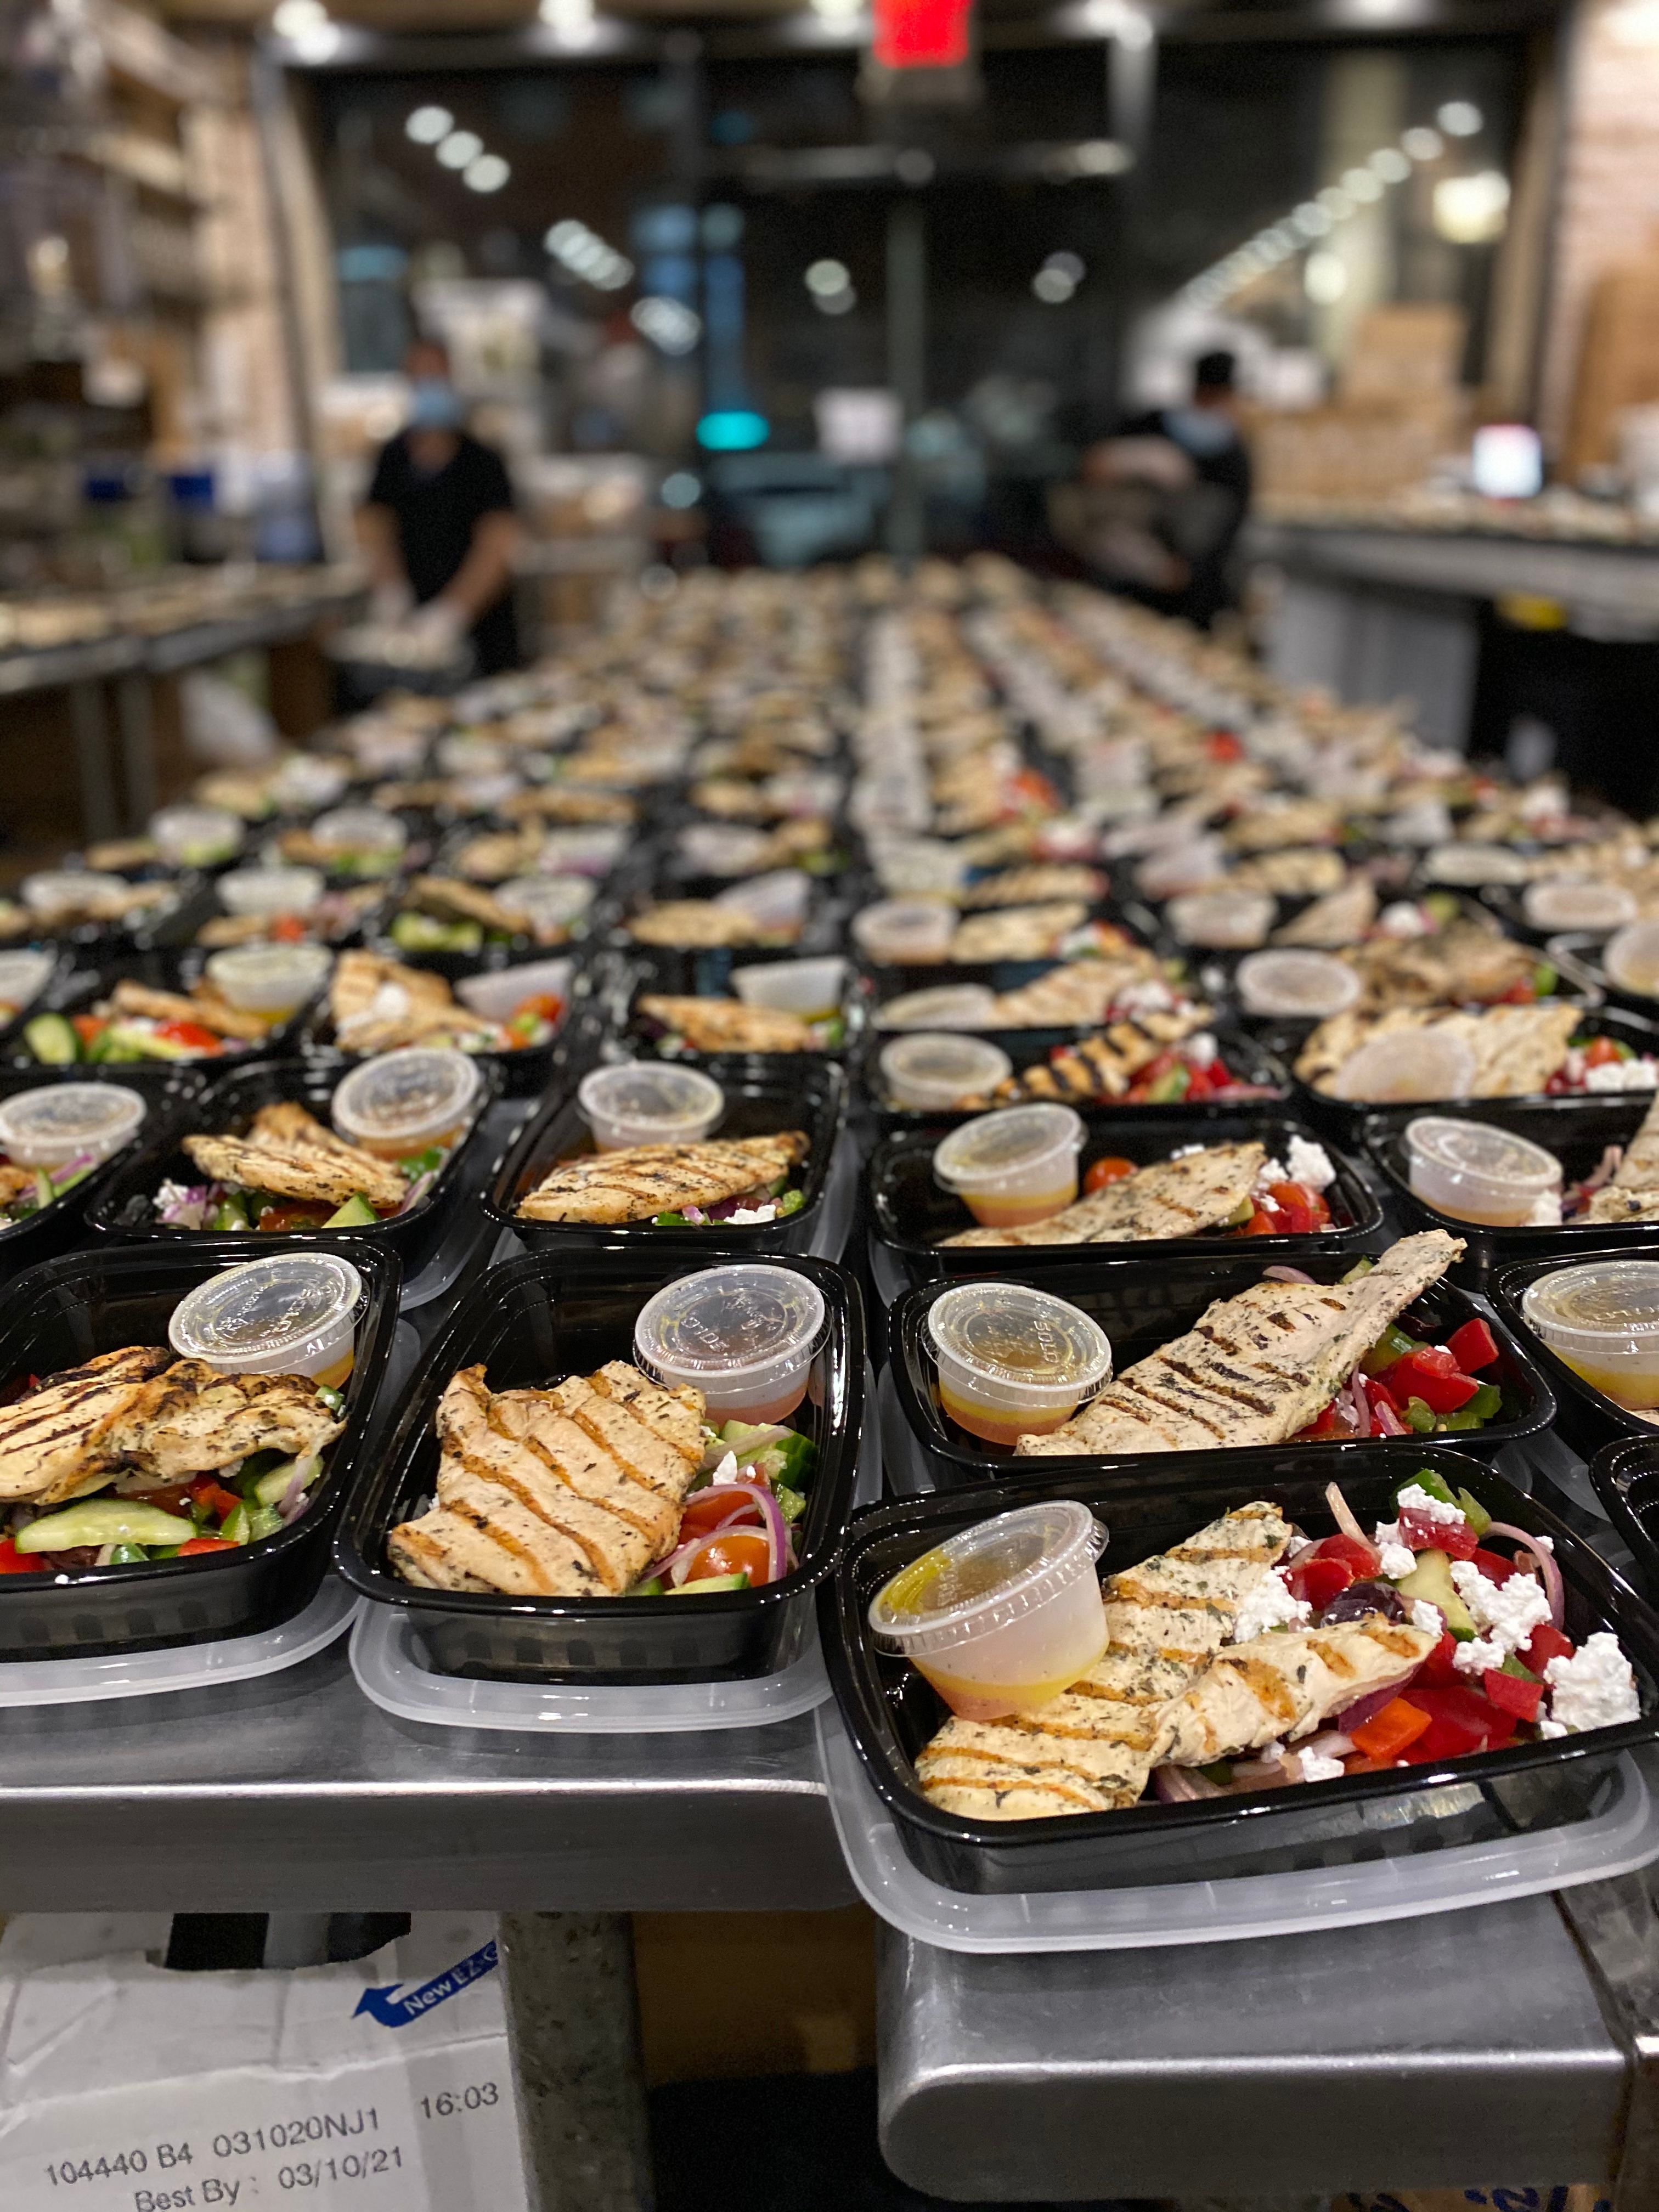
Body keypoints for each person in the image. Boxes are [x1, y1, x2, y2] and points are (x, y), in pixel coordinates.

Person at [357, 338, 523, 675]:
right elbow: (374, 525)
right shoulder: (392, 458)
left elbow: (499, 542)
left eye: (436, 376)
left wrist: (453, 613)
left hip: (482, 634)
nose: (428, 386)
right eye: (420, 377)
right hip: (413, 635)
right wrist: (391, 591)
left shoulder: (483, 460)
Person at [1064, 350, 1254, 629]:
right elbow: (1092, 469)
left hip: (1186, 594)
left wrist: (1184, 571)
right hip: (1120, 578)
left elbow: (1229, 527)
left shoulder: (1232, 455)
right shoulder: (1150, 424)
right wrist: (1136, 458)